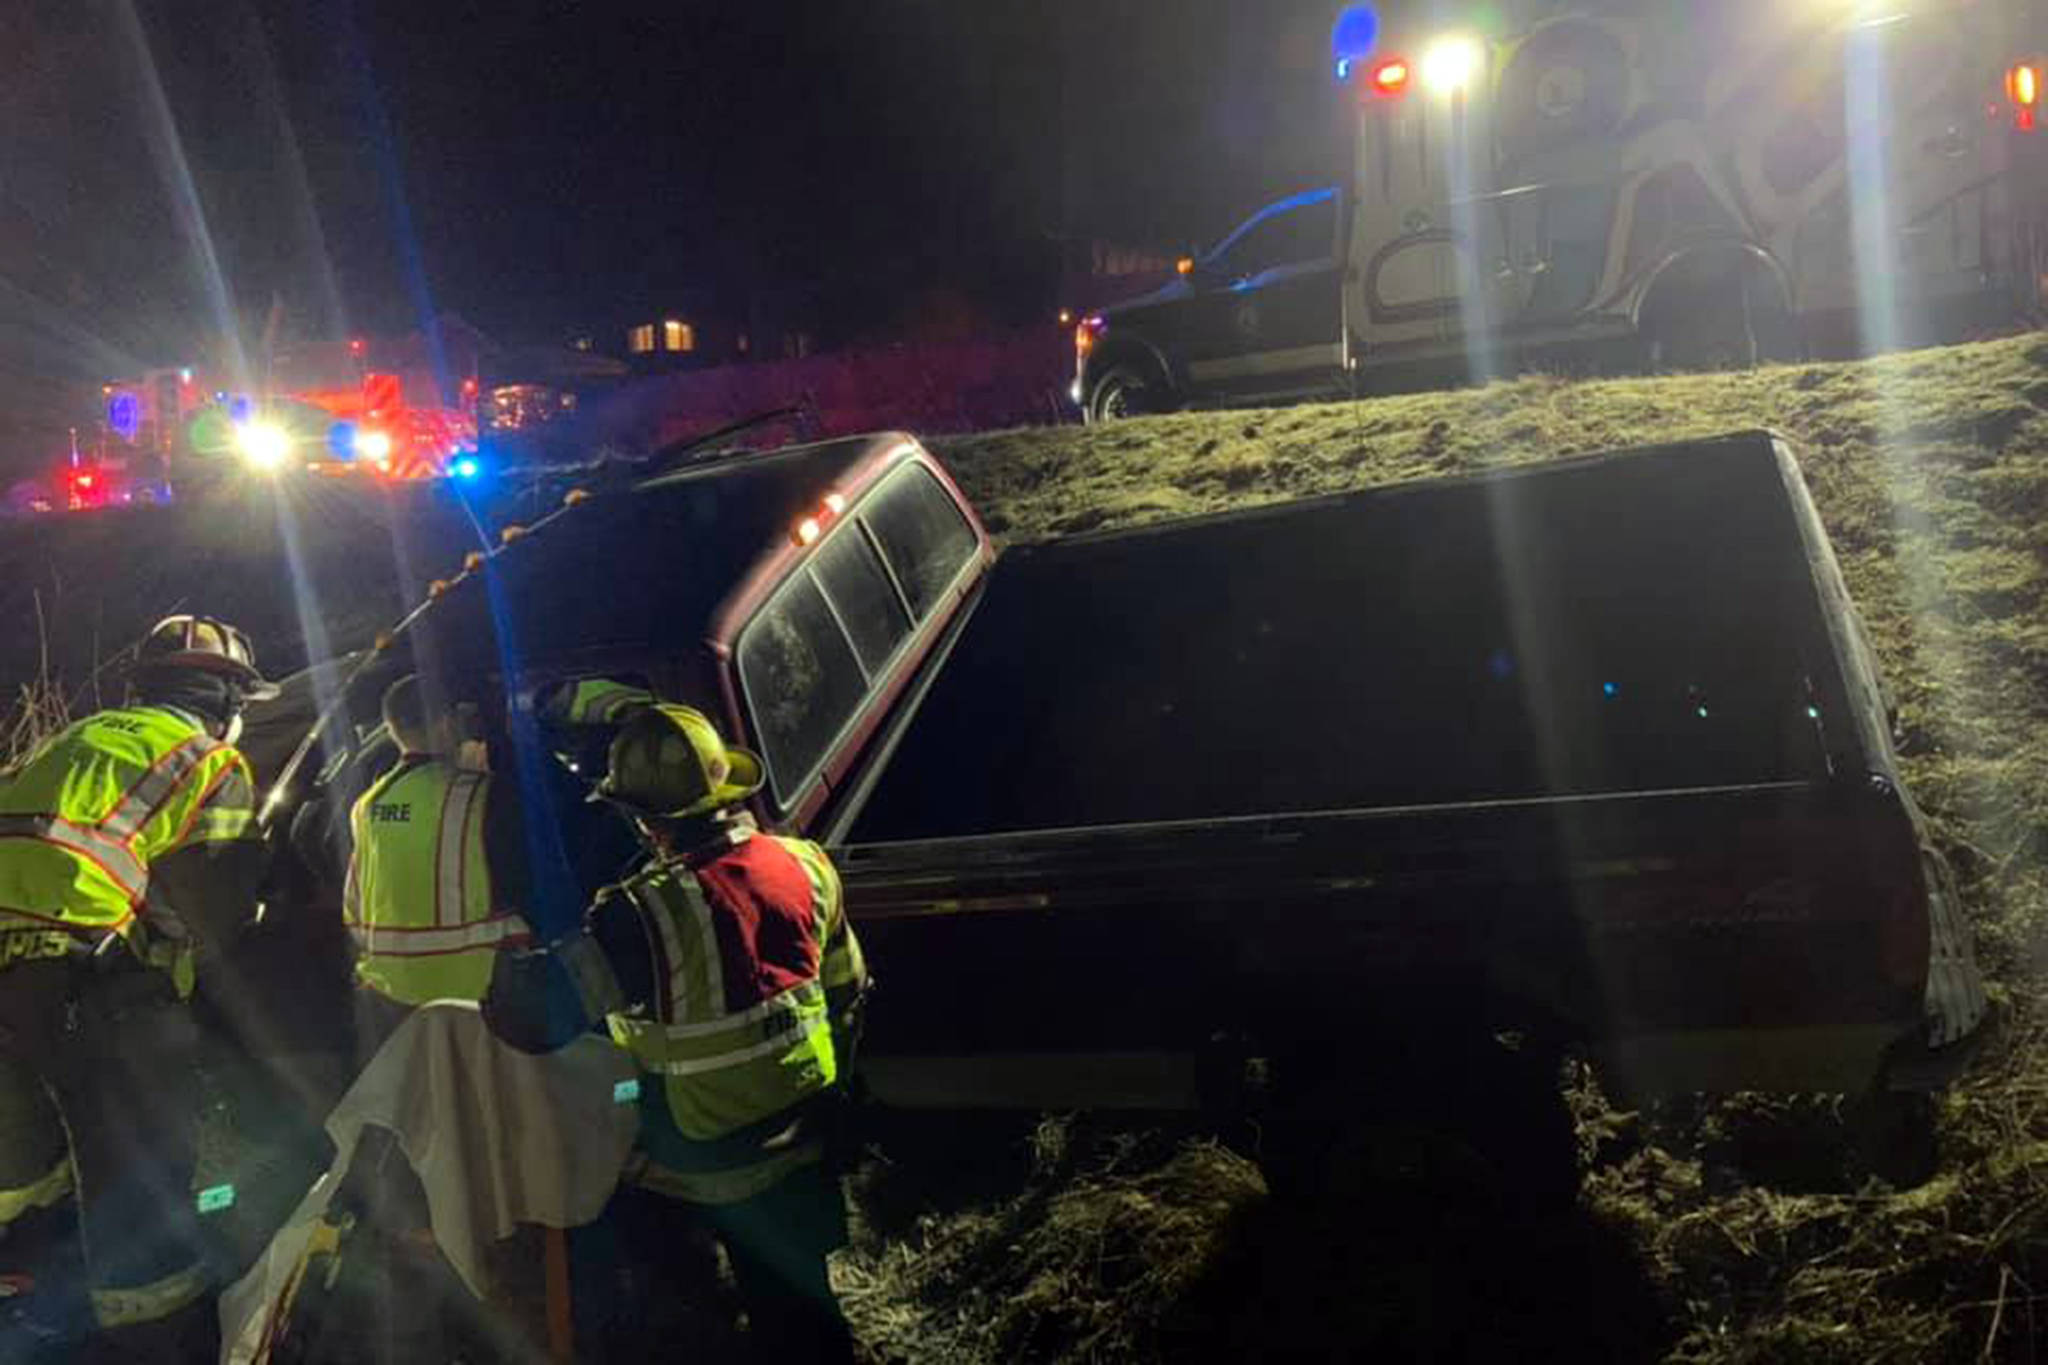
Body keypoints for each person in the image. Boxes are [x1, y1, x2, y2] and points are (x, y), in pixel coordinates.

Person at [485, 703, 870, 1363]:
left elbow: (532, 1020)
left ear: (643, 819)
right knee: (809, 1318)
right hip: (807, 1128)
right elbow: (849, 990)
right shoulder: (805, 863)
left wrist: (504, 966)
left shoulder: (643, 912)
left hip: (704, 1160)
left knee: (686, 1302)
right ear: (725, 791)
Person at [0, 614, 276, 1363]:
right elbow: (210, 913)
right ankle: (156, 1335)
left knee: (24, 1168)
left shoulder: (75, 739)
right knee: (141, 1179)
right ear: (226, 697)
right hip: (89, 978)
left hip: (13, 976)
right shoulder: (210, 759)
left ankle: (38, 1308)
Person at [342, 673, 537, 1053]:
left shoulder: (368, 805)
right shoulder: (482, 795)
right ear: (445, 722)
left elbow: (355, 905)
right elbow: (529, 883)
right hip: (481, 994)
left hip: (392, 994)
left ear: (392, 729)